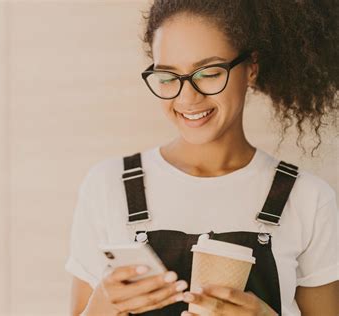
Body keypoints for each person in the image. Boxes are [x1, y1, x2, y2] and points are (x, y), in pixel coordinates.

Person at [65, 1, 338, 315]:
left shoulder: (308, 199)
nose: (187, 98)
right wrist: (102, 306)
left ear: (251, 68)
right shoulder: (106, 186)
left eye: (208, 73)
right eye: (168, 77)